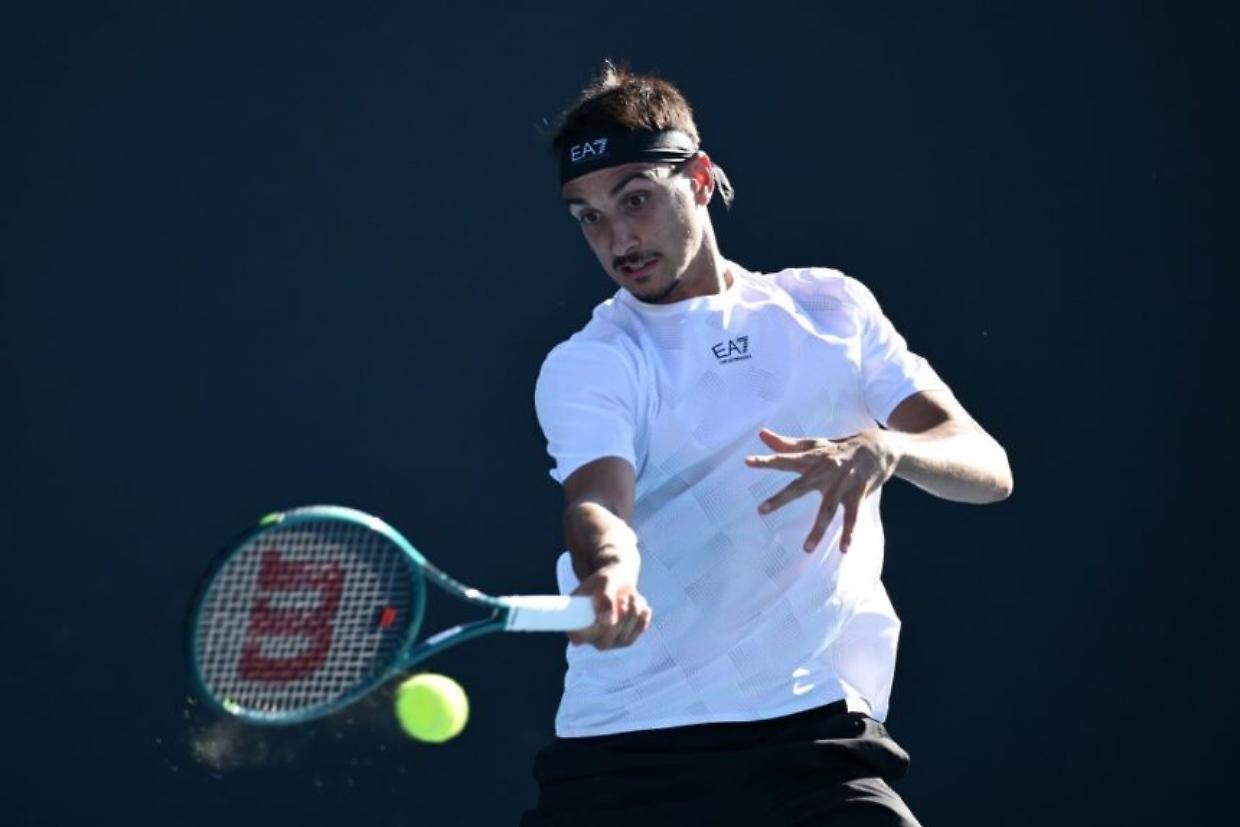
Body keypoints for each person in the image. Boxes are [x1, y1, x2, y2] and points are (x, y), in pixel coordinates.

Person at [521, 62, 1012, 826]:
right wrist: (610, 568)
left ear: (703, 178)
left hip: (812, 741)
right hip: (627, 757)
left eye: (636, 199)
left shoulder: (832, 308)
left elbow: (986, 468)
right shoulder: (593, 361)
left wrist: (888, 449)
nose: (617, 239)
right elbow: (596, 499)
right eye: (588, 216)